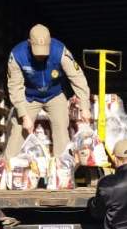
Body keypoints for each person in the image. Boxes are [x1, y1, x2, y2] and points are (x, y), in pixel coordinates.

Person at [5, 24, 91, 159]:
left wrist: (85, 107)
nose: (41, 57)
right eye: (37, 52)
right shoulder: (17, 55)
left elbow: (77, 78)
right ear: (29, 43)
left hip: (55, 94)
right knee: (19, 129)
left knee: (61, 127)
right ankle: (8, 165)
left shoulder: (60, 51)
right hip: (30, 96)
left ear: (50, 42)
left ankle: (62, 165)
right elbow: (15, 87)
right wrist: (24, 116)